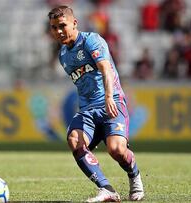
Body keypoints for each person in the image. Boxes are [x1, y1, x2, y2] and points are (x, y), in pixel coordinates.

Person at [48, 6, 144, 202]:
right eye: (53, 27)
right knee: (74, 140)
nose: (58, 31)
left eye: (62, 26)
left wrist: (109, 96)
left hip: (112, 103)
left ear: (75, 23)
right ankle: (107, 189)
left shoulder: (91, 40)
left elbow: (105, 68)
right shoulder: (63, 55)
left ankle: (134, 177)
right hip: (88, 110)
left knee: (116, 150)